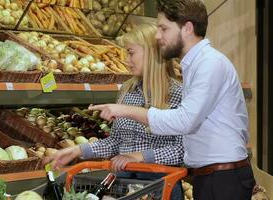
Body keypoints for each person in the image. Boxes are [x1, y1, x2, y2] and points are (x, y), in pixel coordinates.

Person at [87, 0, 256, 200]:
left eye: (164, 29)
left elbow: (184, 121)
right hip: (211, 177)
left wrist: (125, 110)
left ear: (188, 28)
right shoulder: (194, 65)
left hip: (222, 179)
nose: (158, 36)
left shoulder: (209, 64)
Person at [44, 23, 184, 200]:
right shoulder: (127, 90)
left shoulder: (178, 95)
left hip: (161, 187)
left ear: (151, 53)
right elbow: (116, 142)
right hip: (124, 186)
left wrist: (140, 156)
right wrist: (78, 151)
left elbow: (182, 150)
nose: (127, 60)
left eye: (131, 53)